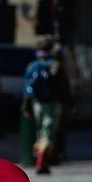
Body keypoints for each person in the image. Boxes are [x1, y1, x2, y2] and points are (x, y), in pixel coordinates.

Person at [21, 37, 70, 174]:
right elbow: (64, 87)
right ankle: (41, 162)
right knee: (48, 133)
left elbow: (27, 89)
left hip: (37, 102)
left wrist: (26, 106)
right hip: (52, 103)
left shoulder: (32, 65)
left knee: (40, 132)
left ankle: (42, 160)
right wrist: (70, 103)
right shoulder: (55, 65)